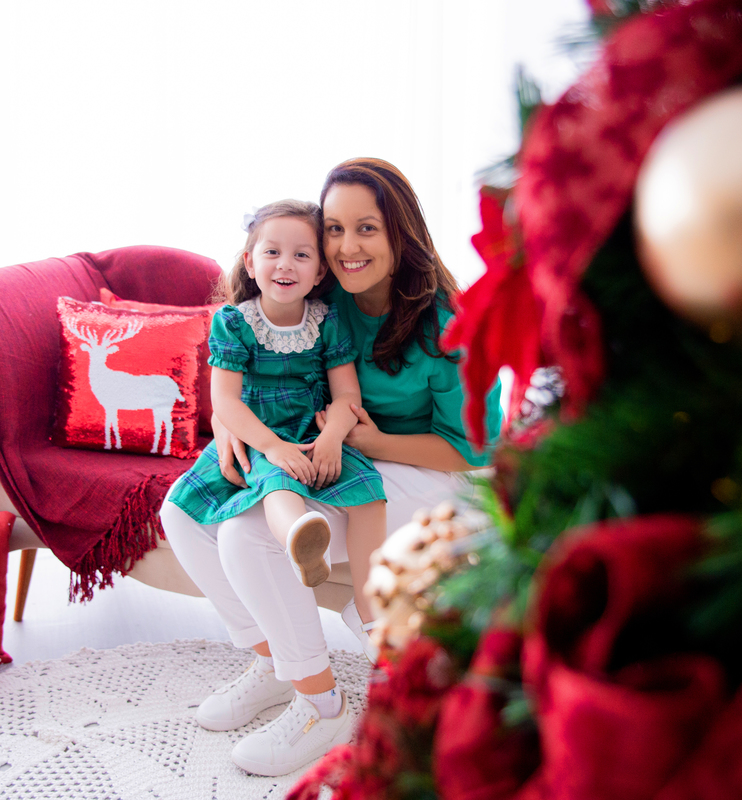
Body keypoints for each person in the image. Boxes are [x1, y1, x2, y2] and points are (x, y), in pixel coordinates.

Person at [160, 158, 502, 777]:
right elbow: (255, 369)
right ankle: (273, 660)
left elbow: (475, 449)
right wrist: (243, 438)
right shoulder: (325, 304)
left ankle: (321, 704)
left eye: (366, 229)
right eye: (336, 230)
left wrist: (368, 441)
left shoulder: (448, 326)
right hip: (333, 456)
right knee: (185, 518)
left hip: (436, 476)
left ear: (401, 235)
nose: (347, 247)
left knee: (249, 534)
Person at [166, 199, 387, 594]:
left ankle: (376, 603)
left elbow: (347, 392)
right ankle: (300, 538)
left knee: (370, 490)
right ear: (250, 263)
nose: (285, 264)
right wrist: (272, 447)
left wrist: (333, 438)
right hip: (259, 435)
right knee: (276, 484)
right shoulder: (234, 323)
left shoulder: (327, 320)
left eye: (301, 255)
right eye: (272, 252)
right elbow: (227, 403)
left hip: (311, 429)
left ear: (320, 271)